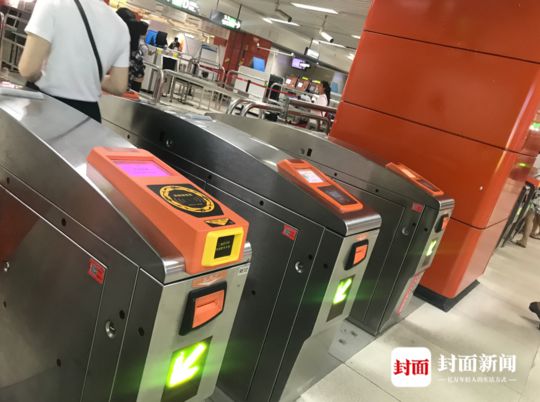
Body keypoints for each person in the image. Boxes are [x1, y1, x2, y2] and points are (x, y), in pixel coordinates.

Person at [18, 0, 130, 122]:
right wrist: (85, 78)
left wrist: (45, 76)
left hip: (46, 106)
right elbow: (118, 86)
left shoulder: (53, 3)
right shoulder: (121, 26)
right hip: (88, 115)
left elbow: (28, 69)